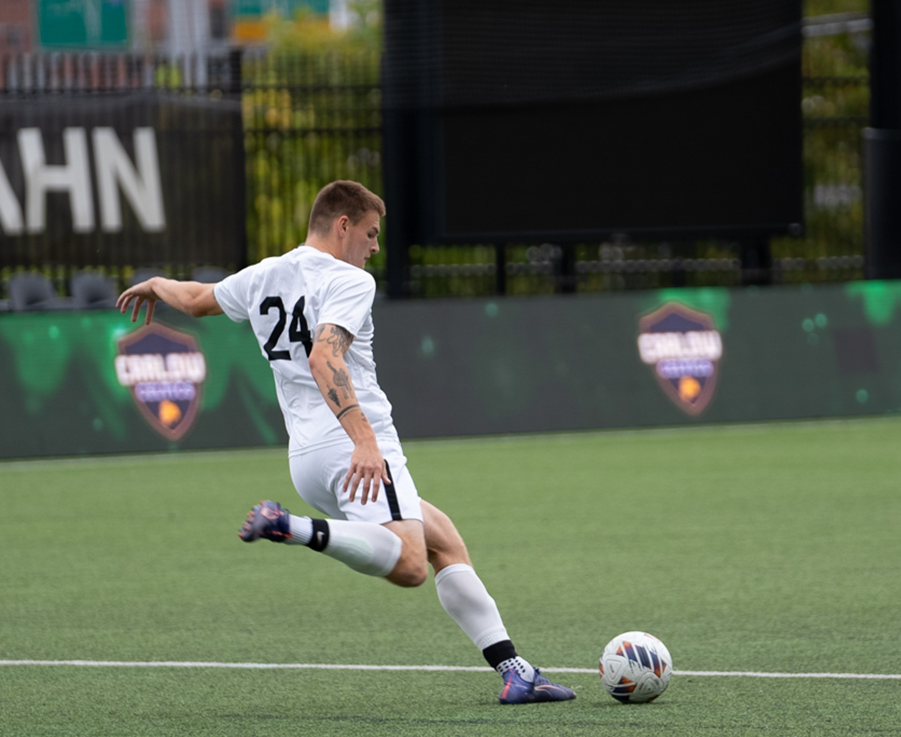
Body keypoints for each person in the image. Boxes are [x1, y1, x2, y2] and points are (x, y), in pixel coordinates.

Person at [115, 180, 575, 704]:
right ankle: (291, 527)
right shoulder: (350, 281)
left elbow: (196, 300)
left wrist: (157, 283)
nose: (375, 247)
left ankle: (515, 672)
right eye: (371, 233)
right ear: (343, 226)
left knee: (442, 538)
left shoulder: (266, 273)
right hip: (354, 444)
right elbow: (324, 358)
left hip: (306, 457)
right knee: (409, 565)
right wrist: (364, 441)